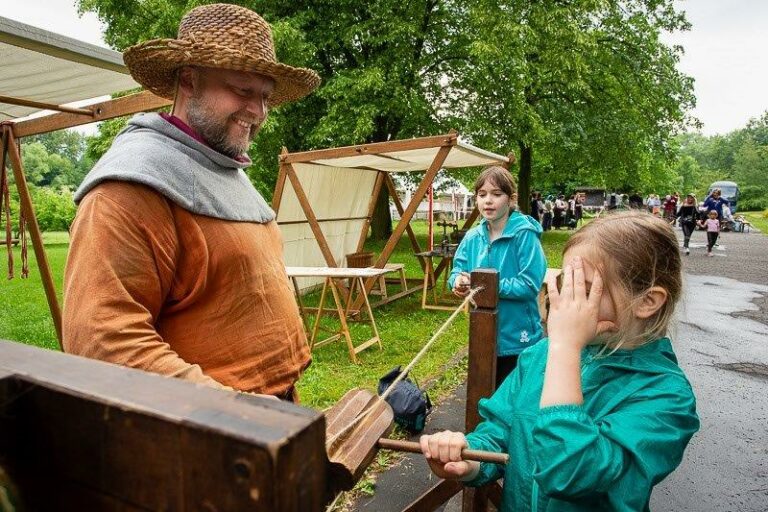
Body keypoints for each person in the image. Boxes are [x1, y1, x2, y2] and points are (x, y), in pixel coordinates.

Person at [62, 4, 321, 401]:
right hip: (205, 438)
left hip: (271, 422)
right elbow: (103, 341)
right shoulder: (128, 189)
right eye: (242, 90)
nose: (258, 112)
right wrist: (235, 411)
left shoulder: (221, 165)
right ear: (189, 81)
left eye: (265, 96)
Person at [420, 210, 699, 511]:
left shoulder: (665, 396)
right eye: (566, 282)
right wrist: (470, 461)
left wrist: (565, 347)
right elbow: (501, 431)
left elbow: (571, 473)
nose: (564, 299)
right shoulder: (541, 355)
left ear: (647, 301)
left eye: (585, 289)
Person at [449, 166, 547, 388]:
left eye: (496, 194)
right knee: (484, 392)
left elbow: (529, 285)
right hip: (483, 334)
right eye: (482, 195)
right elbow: (457, 270)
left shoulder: (524, 236)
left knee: (515, 400)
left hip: (518, 339)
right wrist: (457, 282)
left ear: (511, 199)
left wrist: (487, 286)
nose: (488, 201)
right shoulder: (473, 237)